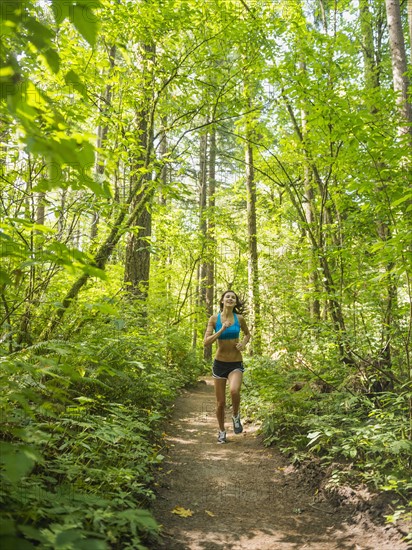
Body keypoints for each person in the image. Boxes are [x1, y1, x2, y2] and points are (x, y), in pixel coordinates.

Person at [203, 290, 251, 443]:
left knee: (234, 390)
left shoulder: (240, 318)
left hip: (236, 362)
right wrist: (222, 329)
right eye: (227, 297)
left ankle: (236, 415)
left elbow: (247, 334)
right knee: (220, 403)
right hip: (220, 364)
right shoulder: (214, 319)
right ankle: (221, 431)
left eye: (233, 297)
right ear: (222, 301)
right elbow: (206, 341)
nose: (230, 299)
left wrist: (243, 344)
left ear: (235, 302)